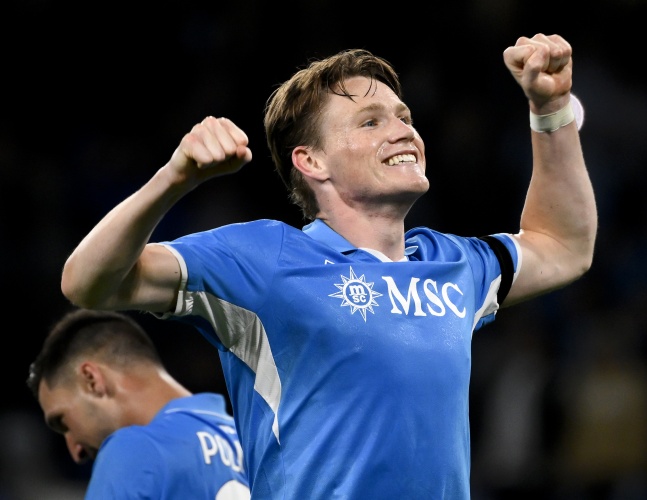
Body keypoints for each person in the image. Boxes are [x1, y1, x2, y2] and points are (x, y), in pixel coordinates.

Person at [60, 32, 597, 499]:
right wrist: (173, 179)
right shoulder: (264, 259)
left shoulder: (452, 265)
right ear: (311, 161)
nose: (403, 131)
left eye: (404, 117)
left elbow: (563, 245)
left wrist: (551, 109)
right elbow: (89, 283)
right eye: (370, 122)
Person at [27, 308, 251, 499]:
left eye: (62, 422)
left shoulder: (131, 450)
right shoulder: (251, 445)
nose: (75, 452)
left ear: (91, 380)